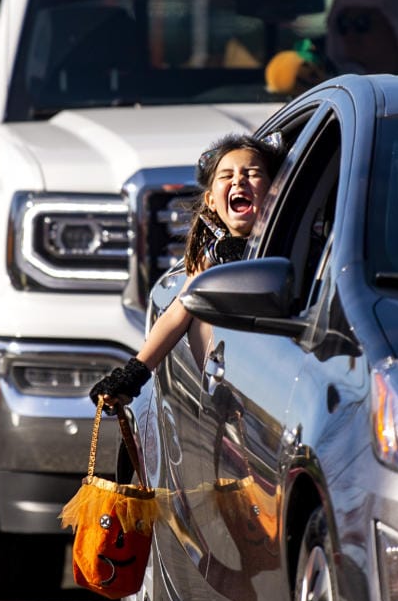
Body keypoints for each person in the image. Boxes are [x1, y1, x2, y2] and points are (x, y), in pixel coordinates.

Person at [89, 133, 284, 410]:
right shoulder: (209, 261)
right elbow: (177, 314)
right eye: (226, 175)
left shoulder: (292, 245)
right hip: (238, 393)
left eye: (252, 173)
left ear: (276, 192)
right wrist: (131, 377)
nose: (238, 180)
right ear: (212, 201)